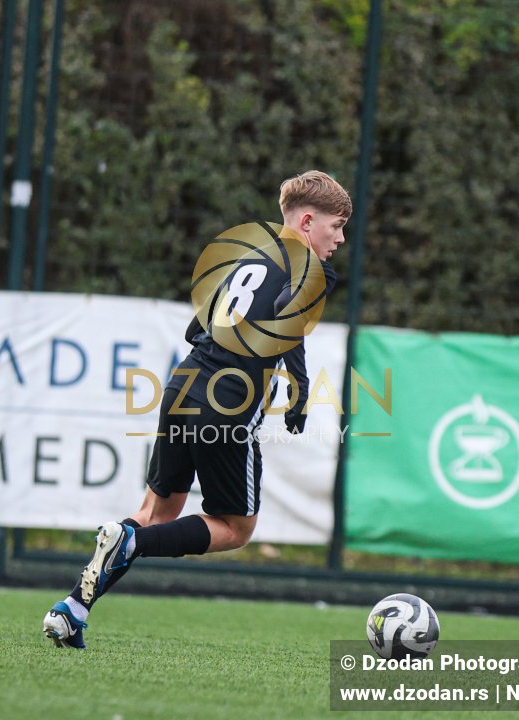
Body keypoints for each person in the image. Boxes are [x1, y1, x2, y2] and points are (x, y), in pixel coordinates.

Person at [42, 170, 352, 649]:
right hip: (229, 401)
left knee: (154, 511)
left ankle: (72, 610)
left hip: (184, 383)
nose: (340, 238)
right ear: (308, 221)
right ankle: (129, 545)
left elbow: (197, 326)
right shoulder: (310, 267)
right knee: (235, 527)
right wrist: (301, 388)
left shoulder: (249, 255)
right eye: (336, 226)